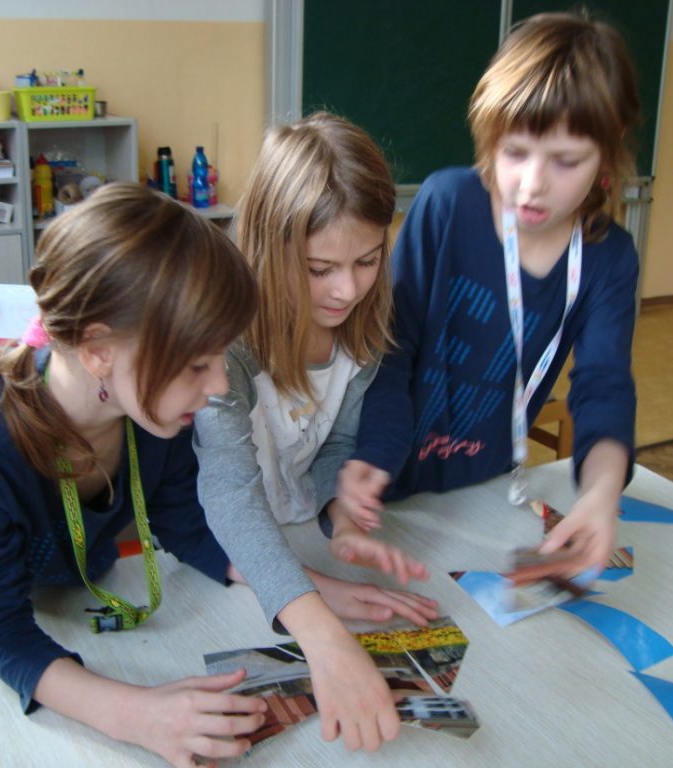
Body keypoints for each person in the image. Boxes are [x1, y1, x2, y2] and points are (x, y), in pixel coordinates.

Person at [0, 183, 268, 767]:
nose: (218, 384)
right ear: (97, 350)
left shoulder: (152, 408)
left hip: (62, 581)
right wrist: (139, 715)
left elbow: (187, 526)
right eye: (197, 364)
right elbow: (0, 633)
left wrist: (290, 584)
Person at [339, 12, 642, 576]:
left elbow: (604, 388)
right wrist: (375, 453)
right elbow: (393, 346)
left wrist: (601, 495)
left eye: (566, 161)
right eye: (515, 152)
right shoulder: (447, 205)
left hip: (482, 486)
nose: (532, 183)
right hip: (382, 481)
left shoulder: (608, 257)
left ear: (608, 151)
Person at [192, 113, 437, 753]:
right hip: (207, 557)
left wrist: (342, 517)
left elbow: (334, 444)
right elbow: (227, 492)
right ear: (269, 247)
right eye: (319, 267)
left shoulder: (363, 325)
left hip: (290, 544)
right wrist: (321, 630)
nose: (346, 288)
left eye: (367, 260)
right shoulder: (224, 342)